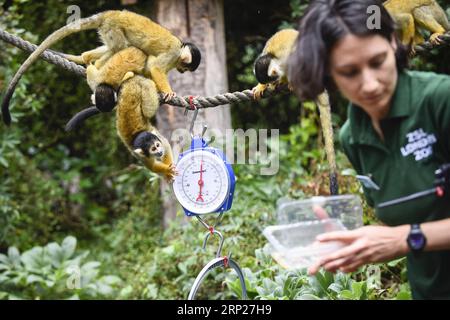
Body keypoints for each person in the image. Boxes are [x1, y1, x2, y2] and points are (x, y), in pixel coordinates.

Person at [287, 0, 450, 299]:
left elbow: (408, 236)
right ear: (327, 74)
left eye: (377, 62)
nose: (370, 84)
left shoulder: (440, 101)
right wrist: (353, 244)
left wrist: (408, 238)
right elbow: (401, 227)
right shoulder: (354, 136)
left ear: (393, 42)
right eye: (349, 72)